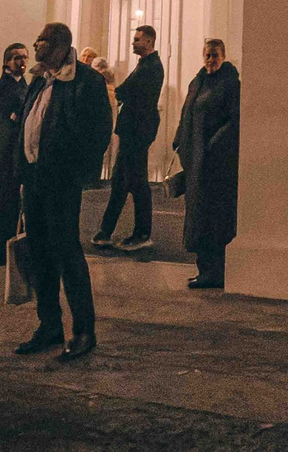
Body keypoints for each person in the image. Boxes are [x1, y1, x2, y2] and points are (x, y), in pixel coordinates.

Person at [14, 21, 113, 362]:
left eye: (39, 41)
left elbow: (99, 131)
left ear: (58, 45)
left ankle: (84, 331)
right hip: (35, 179)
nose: (35, 45)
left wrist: (75, 171)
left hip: (61, 181)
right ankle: (49, 325)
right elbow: (28, 121)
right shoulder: (40, 77)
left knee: (67, 253)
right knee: (40, 252)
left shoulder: (87, 81)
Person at [169, 38, 240, 290]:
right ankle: (204, 268)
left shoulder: (230, 84)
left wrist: (213, 147)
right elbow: (187, 113)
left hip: (215, 165)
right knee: (198, 216)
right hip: (196, 163)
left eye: (215, 55)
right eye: (208, 55)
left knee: (214, 217)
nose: (211, 60)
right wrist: (179, 139)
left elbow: (233, 120)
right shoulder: (197, 82)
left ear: (223, 55)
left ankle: (215, 271)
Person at [95, 25, 164, 252]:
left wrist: (113, 84)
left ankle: (141, 233)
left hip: (136, 133)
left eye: (137, 39)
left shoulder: (150, 68)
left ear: (149, 41)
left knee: (137, 183)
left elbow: (125, 92)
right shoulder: (146, 66)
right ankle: (107, 231)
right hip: (134, 131)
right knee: (121, 182)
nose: (133, 43)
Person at [0, 42, 31, 251]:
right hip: (8, 148)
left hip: (17, 147)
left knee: (14, 198)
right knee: (6, 198)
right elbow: (8, 112)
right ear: (7, 62)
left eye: (25, 57)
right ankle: (1, 248)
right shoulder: (5, 85)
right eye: (17, 58)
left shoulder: (22, 82)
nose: (22, 62)